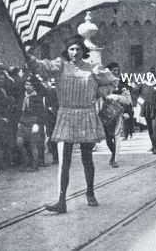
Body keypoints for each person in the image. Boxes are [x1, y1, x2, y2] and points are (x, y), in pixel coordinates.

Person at [28, 35, 116, 214]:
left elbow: (113, 81)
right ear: (67, 52)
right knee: (64, 161)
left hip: (86, 115)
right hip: (66, 114)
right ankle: (61, 201)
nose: (75, 53)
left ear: (83, 51)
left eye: (77, 49)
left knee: (86, 158)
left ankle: (90, 192)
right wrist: (28, 56)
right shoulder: (60, 65)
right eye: (71, 49)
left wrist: (99, 92)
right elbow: (41, 66)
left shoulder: (93, 69)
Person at [16, 74, 48, 171]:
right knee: (19, 143)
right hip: (22, 121)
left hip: (33, 122)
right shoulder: (22, 96)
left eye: (29, 85)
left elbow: (40, 112)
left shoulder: (37, 98)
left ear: (33, 86)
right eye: (26, 84)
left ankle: (35, 165)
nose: (27, 86)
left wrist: (37, 124)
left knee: (33, 144)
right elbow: (19, 110)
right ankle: (25, 162)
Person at [138, 67, 156, 154]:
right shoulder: (142, 85)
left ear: (154, 76)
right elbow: (135, 95)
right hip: (146, 108)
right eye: (148, 75)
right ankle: (152, 145)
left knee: (155, 127)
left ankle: (155, 147)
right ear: (146, 76)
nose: (150, 76)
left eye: (152, 75)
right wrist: (141, 103)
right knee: (150, 128)